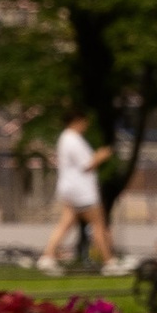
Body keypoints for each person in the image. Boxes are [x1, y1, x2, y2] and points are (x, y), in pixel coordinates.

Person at [39, 111, 110, 271]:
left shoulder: (66, 138)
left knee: (65, 224)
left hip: (71, 188)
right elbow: (86, 165)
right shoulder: (73, 139)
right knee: (98, 224)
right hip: (81, 190)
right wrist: (101, 156)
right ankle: (108, 261)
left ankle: (47, 256)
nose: (86, 125)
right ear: (77, 121)